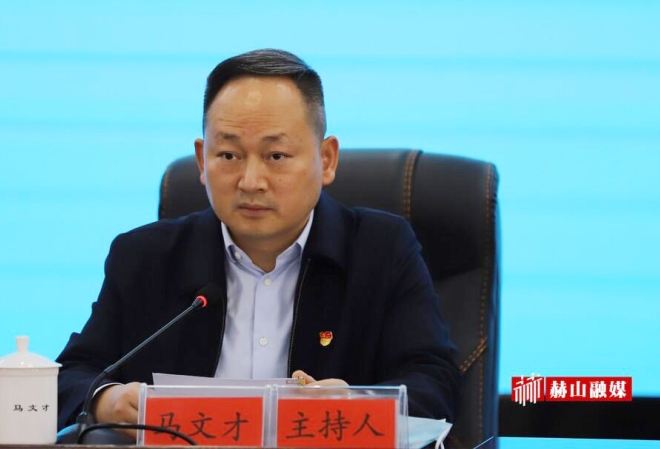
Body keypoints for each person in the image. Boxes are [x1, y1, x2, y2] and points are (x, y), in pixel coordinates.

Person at [56, 49, 459, 431]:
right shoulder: (144, 257)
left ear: (327, 159)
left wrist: (357, 402)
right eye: (229, 156)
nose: (251, 182)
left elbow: (435, 383)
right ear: (202, 160)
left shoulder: (381, 250)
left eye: (276, 156)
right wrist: (106, 399)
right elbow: (71, 376)